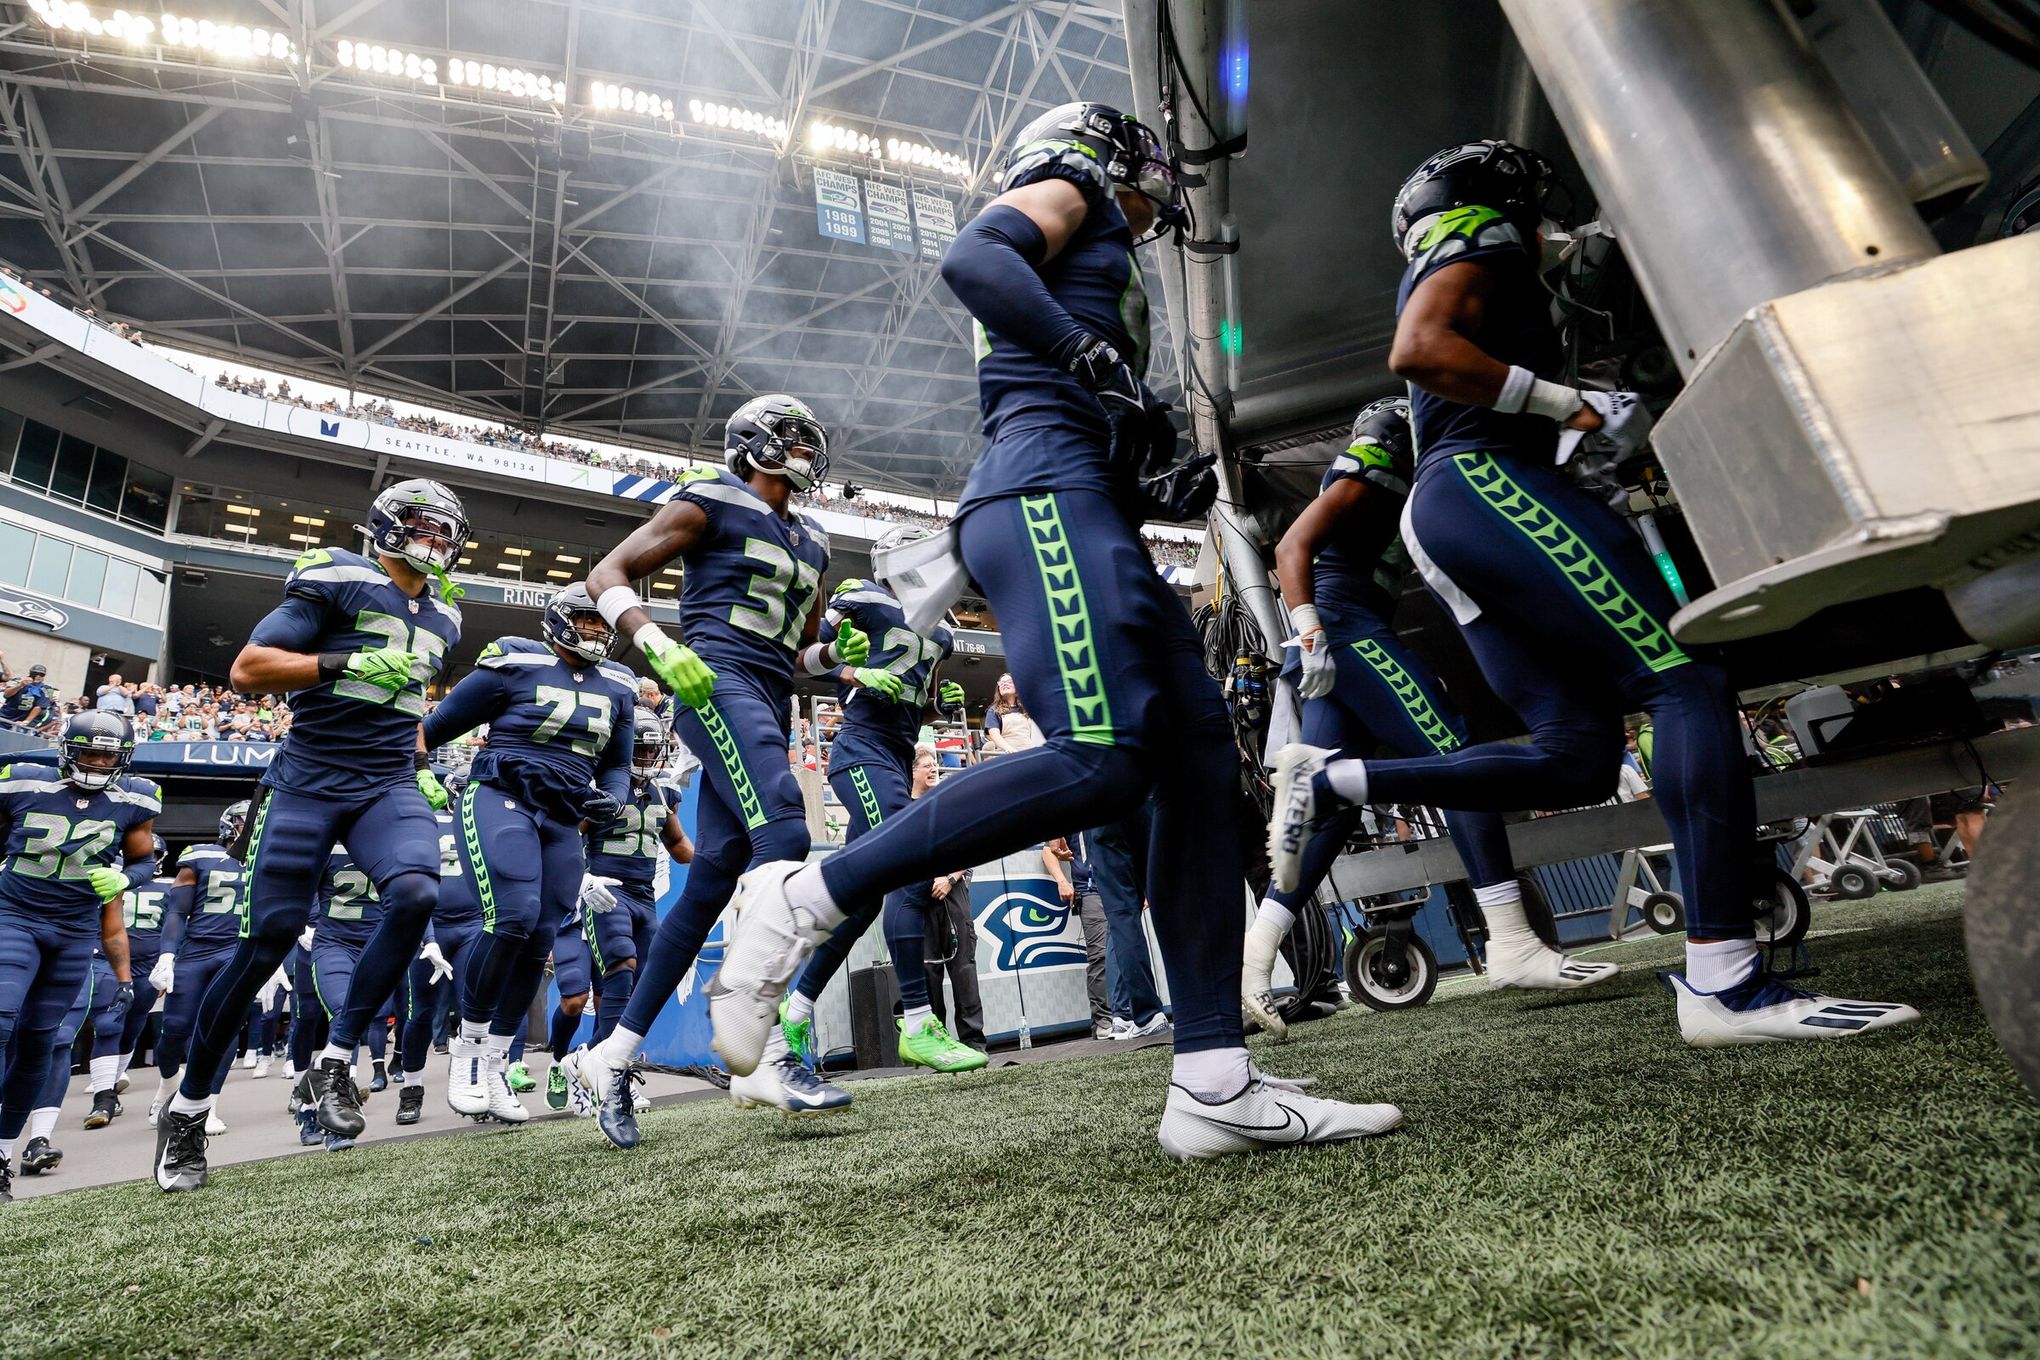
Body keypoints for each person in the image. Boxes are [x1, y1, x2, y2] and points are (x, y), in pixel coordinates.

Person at [707, 101, 1400, 1160]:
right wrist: (1090, 358)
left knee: (1200, 773)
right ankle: (805, 895)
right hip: (1041, 494)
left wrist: (1144, 445)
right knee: (1105, 754)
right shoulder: (1071, 193)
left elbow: (1080, 378)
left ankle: (1213, 1081)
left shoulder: (1096, 237)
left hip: (1084, 499)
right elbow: (975, 257)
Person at [1267, 139, 1916, 1048]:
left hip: (1459, 506)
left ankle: (1338, 778)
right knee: (1684, 680)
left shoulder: (1464, 255)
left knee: (1576, 756)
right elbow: (1419, 351)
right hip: (1482, 485)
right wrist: (1571, 408)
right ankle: (1725, 983)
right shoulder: (1480, 231)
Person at [1249, 396, 1614, 1041]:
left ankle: (1251, 970)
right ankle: (1509, 939)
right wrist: (1310, 628)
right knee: (1461, 762)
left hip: (1343, 629)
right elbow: (1292, 544)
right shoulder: (1381, 450)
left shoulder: (1400, 470)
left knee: (1329, 814)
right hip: (1344, 629)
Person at [154, 479, 465, 1194]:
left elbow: (404, 704)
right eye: (424, 525)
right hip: (308, 779)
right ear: (386, 526)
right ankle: (190, 1109)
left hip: (386, 779)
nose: (437, 541)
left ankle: (336, 1056)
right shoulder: (339, 577)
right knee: (267, 943)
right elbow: (247, 670)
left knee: (417, 892)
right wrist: (342, 662)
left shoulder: (445, 614)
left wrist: (419, 762)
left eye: (448, 532)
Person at [569, 393, 855, 1146]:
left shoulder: (815, 538)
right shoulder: (709, 502)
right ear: (751, 444)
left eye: (807, 438)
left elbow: (794, 650)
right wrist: (656, 643)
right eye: (788, 437)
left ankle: (613, 1057)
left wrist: (839, 657)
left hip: (767, 691)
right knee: (788, 833)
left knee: (717, 874)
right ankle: (753, 1053)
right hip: (712, 678)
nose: (801, 450)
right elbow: (608, 572)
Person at [780, 554, 984, 1084]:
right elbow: (798, 657)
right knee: (911, 866)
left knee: (864, 897)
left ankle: (796, 1009)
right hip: (861, 751)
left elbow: (917, 701)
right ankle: (916, 1020)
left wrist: (940, 705)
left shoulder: (940, 629)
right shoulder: (864, 599)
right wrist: (849, 669)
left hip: (894, 755)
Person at [0, 711, 153, 1203]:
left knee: (39, 1041)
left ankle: (3, 1153)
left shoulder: (133, 801)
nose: (96, 761)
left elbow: (146, 859)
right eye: (88, 751)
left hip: (74, 930)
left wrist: (129, 879)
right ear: (67, 749)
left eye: (107, 755)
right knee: (1, 1018)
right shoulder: (24, 781)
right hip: (14, 915)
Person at [566, 708, 692, 1112]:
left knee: (645, 982)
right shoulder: (600, 789)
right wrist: (581, 879)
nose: (646, 755)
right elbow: (567, 838)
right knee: (620, 969)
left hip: (644, 896)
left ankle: (587, 1060)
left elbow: (680, 848)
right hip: (605, 890)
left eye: (652, 748)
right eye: (639, 747)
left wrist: (725, 854)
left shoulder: (662, 793)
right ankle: (613, 1075)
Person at [147, 805, 248, 1135]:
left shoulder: (270, 861)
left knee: (224, 1030)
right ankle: (167, 1085)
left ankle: (207, 1105)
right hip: (196, 951)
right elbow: (177, 912)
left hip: (237, 953)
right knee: (175, 1028)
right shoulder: (201, 855)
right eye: (242, 822)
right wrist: (166, 956)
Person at [296, 849, 387, 1150]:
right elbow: (294, 890)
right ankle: (338, 1116)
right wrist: (304, 925)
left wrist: (427, 939)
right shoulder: (327, 841)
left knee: (355, 1021)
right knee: (344, 1016)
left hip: (377, 945)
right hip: (334, 943)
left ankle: (307, 1099)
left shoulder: (389, 839)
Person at [1080, 807, 1168, 1040]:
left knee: (1121, 919)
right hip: (1142, 799)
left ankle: (1144, 1015)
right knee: (1169, 907)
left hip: (1099, 810)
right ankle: (1196, 1008)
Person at [104, 835, 172, 1120]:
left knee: (134, 1023)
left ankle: (116, 1075)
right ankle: (104, 1088)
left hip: (147, 963)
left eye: (156, 853)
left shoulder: (169, 886)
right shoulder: (112, 880)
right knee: (108, 1021)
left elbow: (174, 925)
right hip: (111, 961)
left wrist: (168, 960)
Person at [1045, 835, 1111, 1039]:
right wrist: (1062, 880)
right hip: (1090, 890)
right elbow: (1048, 850)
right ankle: (1103, 1021)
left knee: (1125, 953)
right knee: (1100, 956)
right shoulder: (1072, 807)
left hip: (1117, 888)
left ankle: (1127, 1016)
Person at [980, 673, 1041, 756]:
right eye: (1001, 683)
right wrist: (1009, 749)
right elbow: (994, 734)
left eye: (1009, 681)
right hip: (1005, 755)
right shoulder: (993, 710)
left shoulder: (1027, 708)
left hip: (1027, 753)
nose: (1005, 684)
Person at [1, 664, 53, 730]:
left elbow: (39, 706)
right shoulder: (17, 681)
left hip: (19, 722)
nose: (38, 676)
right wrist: (20, 685)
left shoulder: (47, 689)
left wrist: (26, 721)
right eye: (35, 673)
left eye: (41, 675)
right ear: (30, 673)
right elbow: (6, 694)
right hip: (4, 716)